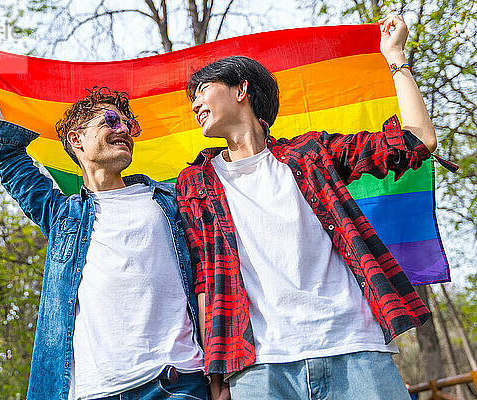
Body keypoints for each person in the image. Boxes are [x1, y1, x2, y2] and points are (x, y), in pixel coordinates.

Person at [176, 15, 451, 400]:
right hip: (259, 366)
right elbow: (207, 279)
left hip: (354, 349)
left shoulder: (310, 154)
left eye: (203, 90)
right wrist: (216, 374)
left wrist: (396, 57)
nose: (195, 104)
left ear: (241, 89)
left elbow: (418, 141)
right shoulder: (197, 183)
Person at [0, 40, 206, 400]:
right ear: (77, 139)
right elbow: (7, 157)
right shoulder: (63, 216)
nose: (124, 129)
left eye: (129, 125)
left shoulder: (172, 199)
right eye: (110, 120)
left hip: (177, 384)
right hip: (93, 391)